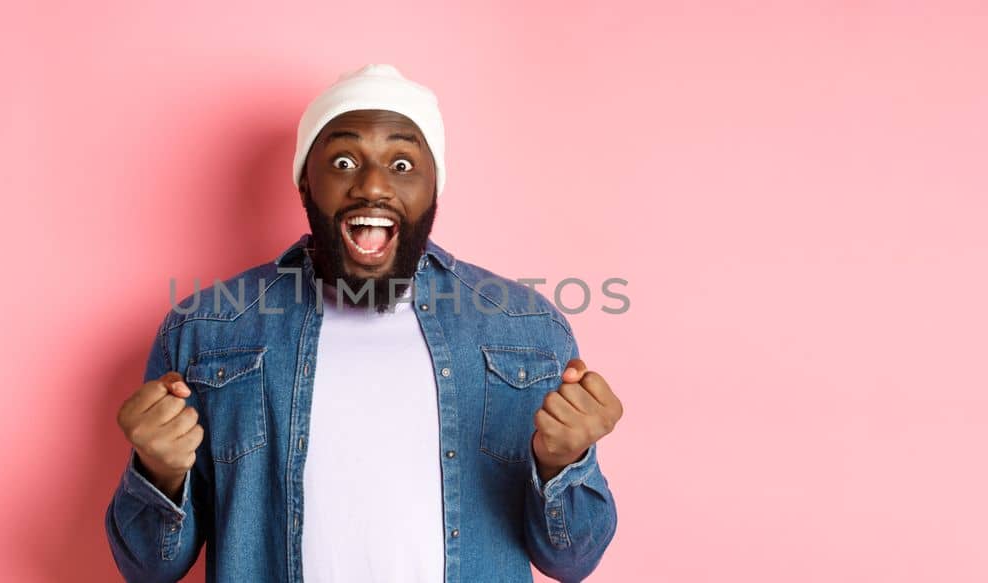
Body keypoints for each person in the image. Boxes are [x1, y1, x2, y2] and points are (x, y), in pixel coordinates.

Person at [107, 64, 622, 582]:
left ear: (434, 188)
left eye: (401, 163)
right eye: (344, 160)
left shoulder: (526, 330)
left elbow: (572, 562)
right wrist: (158, 472)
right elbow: (148, 570)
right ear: (305, 183)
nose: (372, 185)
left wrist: (563, 463)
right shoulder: (207, 330)